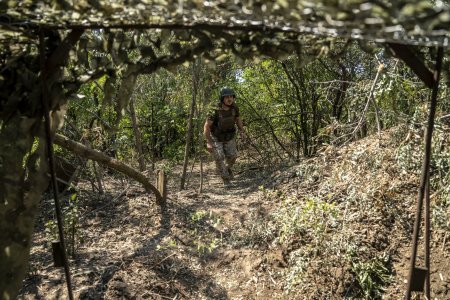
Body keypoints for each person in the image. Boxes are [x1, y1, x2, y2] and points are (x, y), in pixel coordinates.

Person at [204, 87, 247, 185]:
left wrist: (242, 131)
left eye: (231, 96)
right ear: (222, 98)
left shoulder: (234, 107)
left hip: (229, 136)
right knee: (219, 157)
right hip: (216, 137)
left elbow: (238, 119)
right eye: (226, 97)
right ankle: (226, 180)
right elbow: (206, 126)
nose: (229, 99)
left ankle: (227, 169)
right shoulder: (214, 109)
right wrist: (209, 142)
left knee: (233, 156)